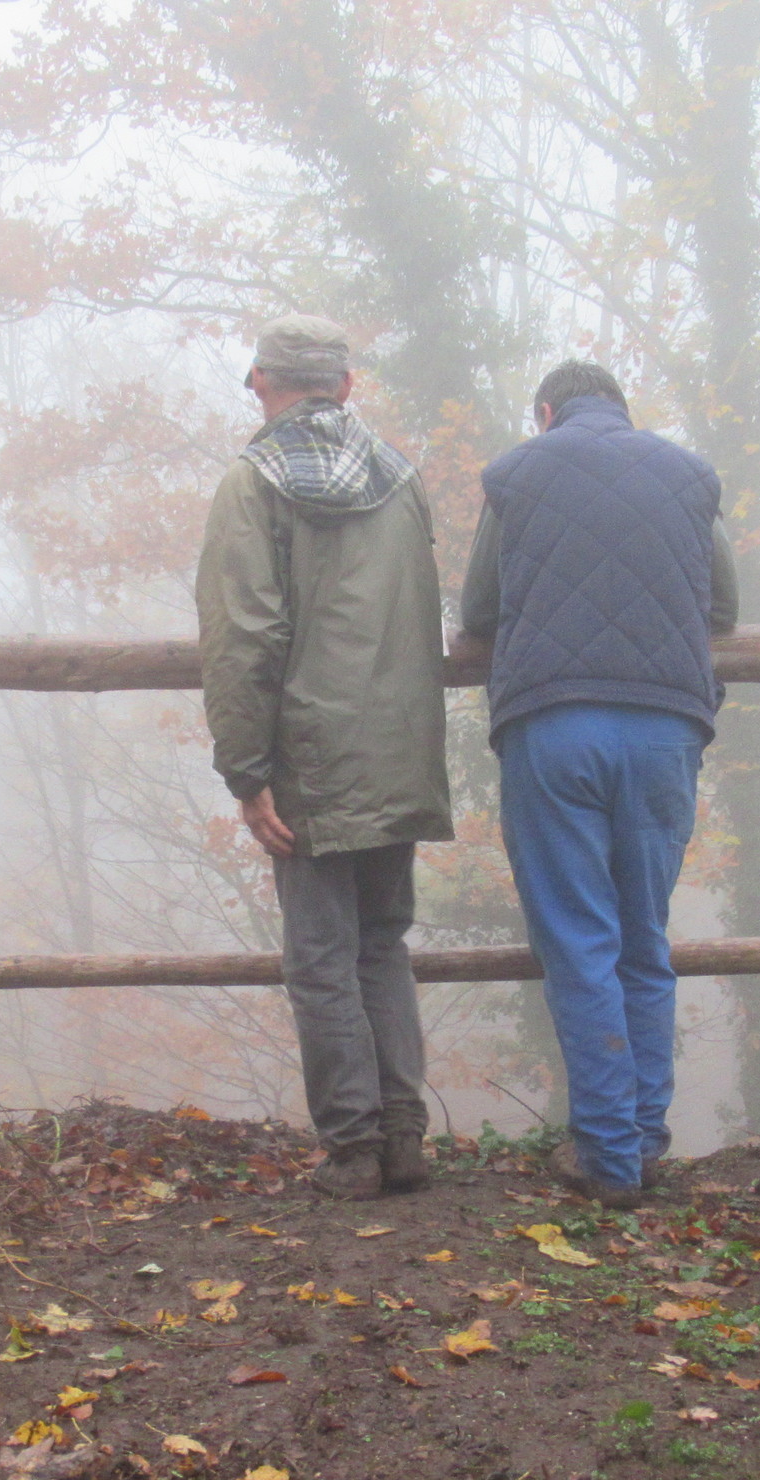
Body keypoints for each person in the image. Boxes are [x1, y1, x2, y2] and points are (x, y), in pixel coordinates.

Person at [460, 360, 739, 1210]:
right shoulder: (689, 475)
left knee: (580, 941)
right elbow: (725, 608)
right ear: (621, 407)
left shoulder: (516, 472)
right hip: (666, 728)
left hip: (556, 726)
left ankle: (609, 1159)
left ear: (545, 411)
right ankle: (643, 1142)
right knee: (643, 938)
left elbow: (477, 612)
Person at [196, 315, 452, 1201]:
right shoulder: (401, 479)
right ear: (345, 387)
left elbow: (244, 635)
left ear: (262, 384)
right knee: (381, 943)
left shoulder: (253, 483)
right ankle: (403, 1135)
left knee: (319, 957)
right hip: (398, 748)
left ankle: (353, 1148)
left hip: (308, 756)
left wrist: (246, 771)